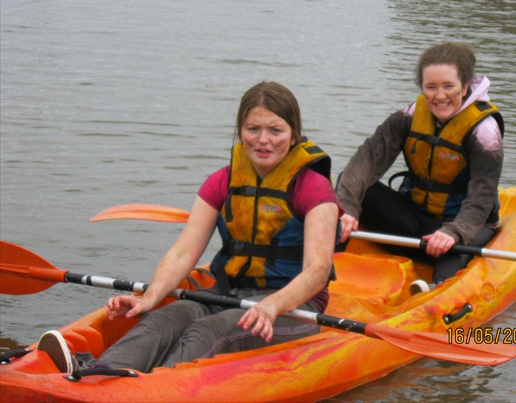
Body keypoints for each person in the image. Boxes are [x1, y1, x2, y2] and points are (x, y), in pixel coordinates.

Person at [38, 81, 342, 373]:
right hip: (228, 292)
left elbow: (317, 270)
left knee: (208, 331)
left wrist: (272, 306)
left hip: (294, 307)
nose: (263, 139)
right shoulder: (221, 181)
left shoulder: (313, 188)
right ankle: (100, 371)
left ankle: (147, 388)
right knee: (164, 319)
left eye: (275, 130)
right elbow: (182, 253)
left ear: (293, 135)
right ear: (240, 131)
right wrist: (150, 297)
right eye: (253, 129)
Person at [336, 42, 504, 292]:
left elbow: (483, 195)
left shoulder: (485, 133)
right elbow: (368, 159)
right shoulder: (408, 116)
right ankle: (325, 266)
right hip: (415, 219)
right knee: (352, 186)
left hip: (466, 225)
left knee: (453, 252)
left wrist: (454, 232)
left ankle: (438, 288)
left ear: (464, 87)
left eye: (448, 86)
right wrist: (347, 208)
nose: (439, 95)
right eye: (431, 87)